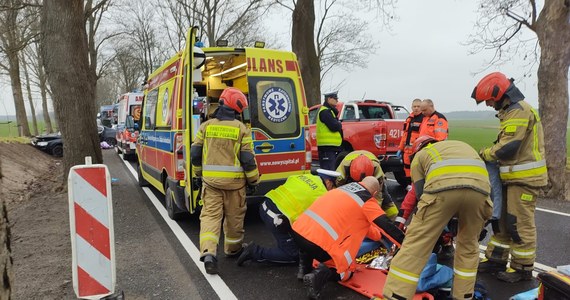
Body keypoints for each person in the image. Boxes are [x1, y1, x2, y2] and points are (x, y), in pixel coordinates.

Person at [383, 137, 492, 300]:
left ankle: (396, 294)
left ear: (416, 150)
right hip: (480, 194)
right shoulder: (461, 146)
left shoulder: (421, 156)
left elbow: (420, 195)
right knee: (468, 247)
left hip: (441, 191)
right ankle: (464, 295)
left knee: (416, 245)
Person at [471, 72, 548, 283]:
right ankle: (496, 259)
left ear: (499, 94)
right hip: (511, 178)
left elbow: (508, 147)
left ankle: (522, 267)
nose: (487, 104)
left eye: (489, 100)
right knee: (501, 222)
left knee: (518, 223)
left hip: (524, 180)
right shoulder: (510, 112)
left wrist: (485, 153)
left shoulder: (519, 111)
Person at [292, 176, 405, 299]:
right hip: (319, 245)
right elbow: (386, 226)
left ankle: (304, 269)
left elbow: (365, 226)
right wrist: (405, 244)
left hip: (298, 232)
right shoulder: (366, 201)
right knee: (346, 273)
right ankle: (317, 277)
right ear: (375, 193)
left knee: (310, 237)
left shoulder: (340, 189)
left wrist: (377, 236)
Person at [190, 87, 259, 275]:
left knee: (210, 218)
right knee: (234, 219)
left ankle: (209, 253)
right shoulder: (241, 129)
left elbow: (195, 154)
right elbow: (247, 159)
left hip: (211, 184)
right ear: (236, 109)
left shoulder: (206, 126)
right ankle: (233, 249)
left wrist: (198, 174)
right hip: (235, 186)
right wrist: (253, 181)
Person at [236, 169, 340, 275]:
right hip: (276, 217)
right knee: (293, 255)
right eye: (332, 186)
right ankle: (254, 252)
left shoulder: (303, 176)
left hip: (265, 204)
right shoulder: (322, 194)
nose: (332, 190)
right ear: (328, 182)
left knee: (297, 242)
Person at [335, 150, 399, 220]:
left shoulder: (376, 170)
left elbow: (378, 197)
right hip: (349, 177)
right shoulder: (343, 169)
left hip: (372, 178)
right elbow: (337, 188)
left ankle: (393, 221)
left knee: (386, 201)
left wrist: (373, 216)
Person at [397, 98, 424, 183]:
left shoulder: (424, 119)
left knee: (417, 170)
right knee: (407, 169)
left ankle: (415, 187)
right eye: (414, 106)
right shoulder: (409, 119)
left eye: (418, 106)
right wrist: (400, 149)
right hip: (407, 151)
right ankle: (410, 185)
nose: (416, 108)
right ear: (411, 107)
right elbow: (404, 135)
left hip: (417, 151)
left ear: (421, 107)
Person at [316, 91, 343, 170]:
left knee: (331, 171)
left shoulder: (329, 111)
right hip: (327, 149)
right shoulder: (325, 112)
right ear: (329, 99)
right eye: (335, 99)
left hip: (331, 148)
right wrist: (339, 124)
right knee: (328, 173)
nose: (337, 101)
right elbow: (334, 126)